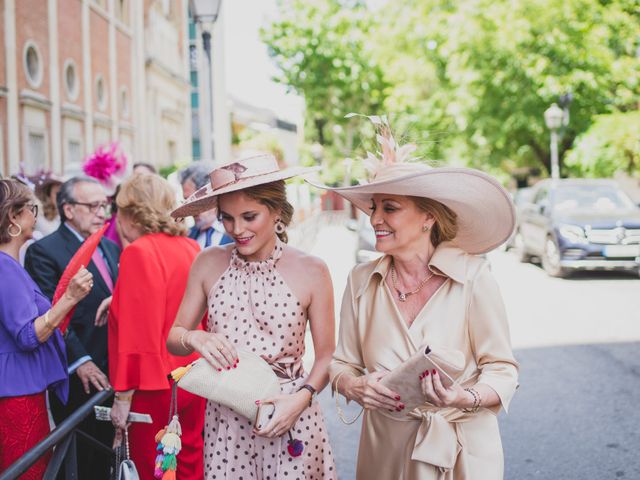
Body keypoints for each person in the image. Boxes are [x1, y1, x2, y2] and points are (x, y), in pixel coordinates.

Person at [313, 122, 519, 479]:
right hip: (384, 453)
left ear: (428, 217)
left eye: (389, 208)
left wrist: (463, 398)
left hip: (460, 454)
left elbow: (502, 369)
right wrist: (353, 385)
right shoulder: (360, 280)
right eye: (374, 207)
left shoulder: (473, 279)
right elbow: (341, 363)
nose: (375, 218)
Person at [167, 153, 337, 479]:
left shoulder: (313, 270)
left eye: (249, 216)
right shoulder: (207, 262)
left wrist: (299, 402)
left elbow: (327, 356)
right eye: (226, 218)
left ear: (276, 211)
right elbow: (174, 339)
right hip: (226, 423)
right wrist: (194, 336)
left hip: (291, 416)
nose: (237, 229)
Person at [107, 173, 205, 480]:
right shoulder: (189, 246)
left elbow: (139, 333)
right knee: (187, 461)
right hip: (194, 375)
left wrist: (122, 398)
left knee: (155, 469)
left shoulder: (139, 252)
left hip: (155, 385)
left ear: (130, 213)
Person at [24, 176, 120, 480]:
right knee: (80, 460)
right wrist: (80, 360)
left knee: (109, 456)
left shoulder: (111, 246)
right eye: (92, 206)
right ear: (67, 210)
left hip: (115, 370)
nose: (101, 212)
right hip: (78, 375)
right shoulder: (45, 251)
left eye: (104, 205)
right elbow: (51, 314)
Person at [0, 179, 94, 478]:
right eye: (32, 208)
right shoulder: (5, 267)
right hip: (18, 397)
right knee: (29, 471)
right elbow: (29, 335)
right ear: (13, 216)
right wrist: (70, 298)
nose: (36, 216)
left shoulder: (10, 265)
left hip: (21, 392)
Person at [179, 163, 233, 248]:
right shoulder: (188, 235)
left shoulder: (237, 231)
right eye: (186, 201)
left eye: (194, 200)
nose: (189, 208)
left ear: (212, 195)